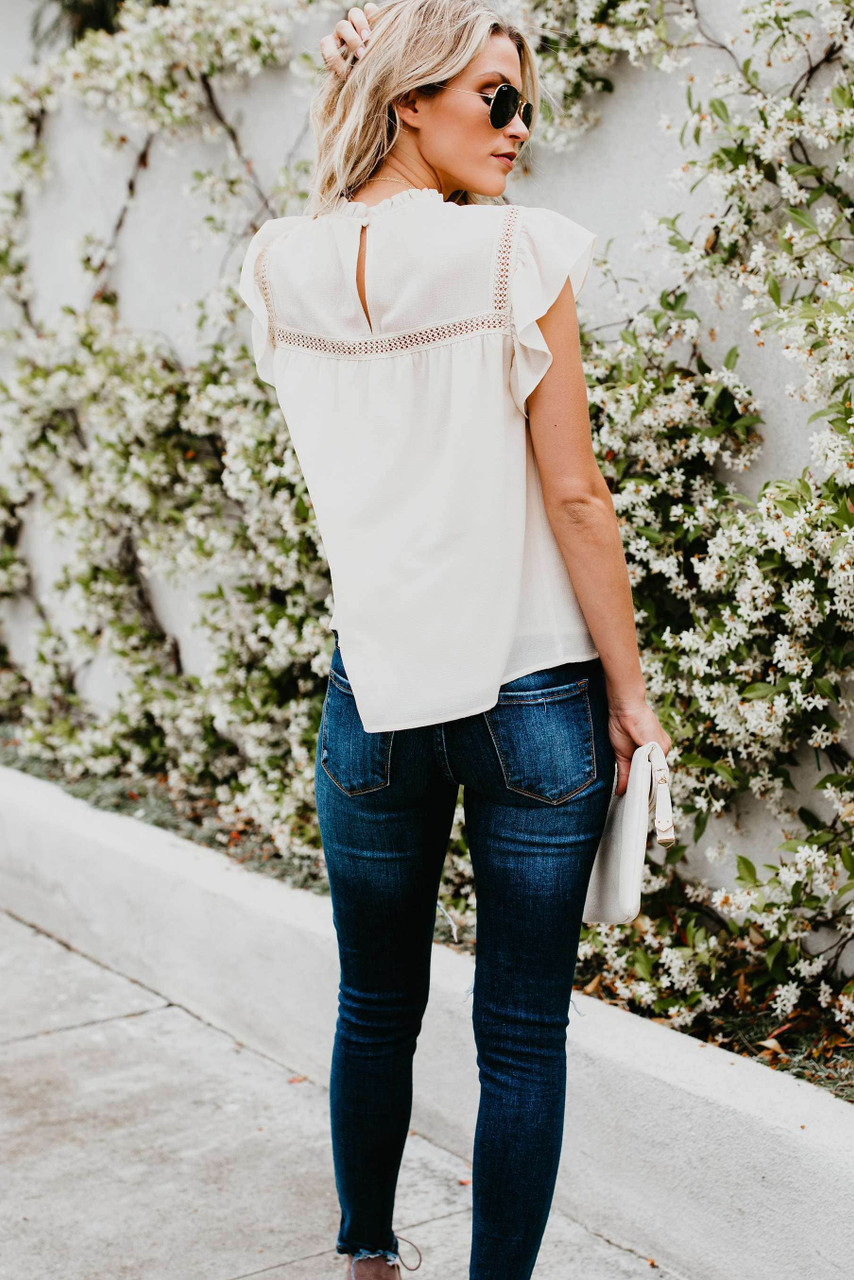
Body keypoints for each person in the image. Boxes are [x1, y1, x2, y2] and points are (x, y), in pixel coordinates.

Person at [238, 3, 672, 1277]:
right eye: (493, 96)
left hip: (371, 693)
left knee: (373, 1003)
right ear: (411, 95)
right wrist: (631, 695)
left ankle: (367, 1259)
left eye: (523, 99)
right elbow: (576, 494)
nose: (518, 125)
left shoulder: (276, 262)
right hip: (533, 691)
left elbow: (345, 230)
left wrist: (372, 102)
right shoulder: (515, 255)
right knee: (521, 1032)